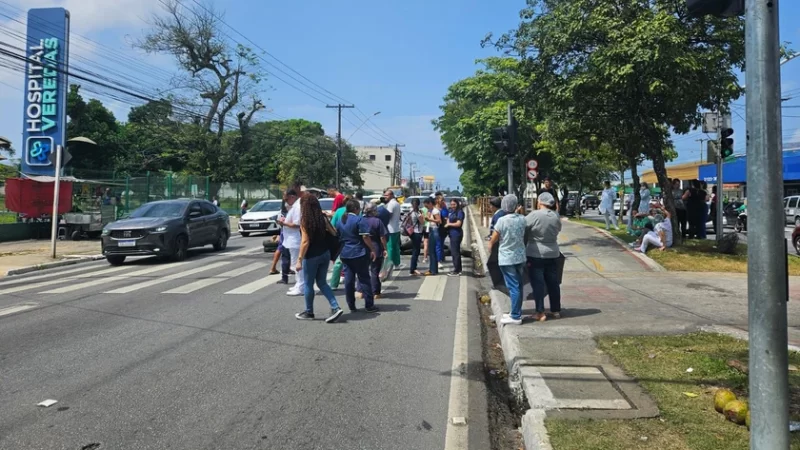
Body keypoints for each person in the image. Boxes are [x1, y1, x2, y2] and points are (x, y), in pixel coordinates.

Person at [293, 195, 343, 323]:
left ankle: (309, 312)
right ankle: (335, 307)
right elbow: (334, 232)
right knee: (322, 283)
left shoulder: (305, 221)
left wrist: (299, 260)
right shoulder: (322, 218)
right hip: (325, 253)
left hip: (311, 256)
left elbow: (305, 241)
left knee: (308, 284)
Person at [489, 194, 527, 325]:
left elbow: (494, 238)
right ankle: (515, 311)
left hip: (507, 258)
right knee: (518, 285)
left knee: (513, 287)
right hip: (520, 256)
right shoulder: (522, 219)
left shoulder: (502, 220)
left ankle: (515, 316)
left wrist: (490, 247)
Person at [336, 199, 379, 313]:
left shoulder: (341, 221)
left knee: (349, 280)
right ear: (356, 209)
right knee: (364, 278)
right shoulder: (359, 220)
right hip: (359, 252)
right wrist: (372, 249)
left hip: (345, 253)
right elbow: (365, 237)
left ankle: (351, 305)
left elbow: (337, 236)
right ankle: (369, 305)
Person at [525, 192, 562, 321]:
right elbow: (558, 229)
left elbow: (523, 227)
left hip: (536, 253)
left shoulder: (534, 215)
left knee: (538, 283)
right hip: (553, 253)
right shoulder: (556, 216)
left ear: (539, 202)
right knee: (553, 283)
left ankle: (540, 312)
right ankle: (556, 310)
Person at [277, 189, 304, 296]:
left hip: (295, 239)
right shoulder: (295, 206)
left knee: (297, 264)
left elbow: (297, 224)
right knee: (295, 264)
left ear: (292, 196)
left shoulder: (297, 207)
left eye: (286, 199)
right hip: (292, 239)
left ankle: (301, 287)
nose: (285, 201)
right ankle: (298, 284)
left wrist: (284, 223)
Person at [362, 203, 388, 298]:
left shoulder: (361, 220)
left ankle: (361, 291)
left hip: (363, 248)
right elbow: (382, 237)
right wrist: (385, 248)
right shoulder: (377, 221)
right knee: (375, 271)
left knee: (362, 271)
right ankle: (375, 292)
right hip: (376, 248)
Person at [327, 195, 352, 290]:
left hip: (341, 239)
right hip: (354, 240)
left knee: (338, 263)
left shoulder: (339, 211)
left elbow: (332, 225)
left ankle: (333, 284)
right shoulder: (357, 211)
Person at [381, 188, 402, 278]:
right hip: (396, 228)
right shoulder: (396, 203)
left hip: (390, 229)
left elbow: (387, 215)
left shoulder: (391, 204)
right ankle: (397, 263)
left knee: (390, 248)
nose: (385, 197)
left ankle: (389, 264)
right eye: (384, 195)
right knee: (396, 247)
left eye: (387, 195)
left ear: (391, 195)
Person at [444, 198, 465, 276]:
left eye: (454, 204)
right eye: (451, 204)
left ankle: (457, 270)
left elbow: (458, 224)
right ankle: (458, 269)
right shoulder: (451, 211)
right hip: (451, 233)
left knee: (455, 252)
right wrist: (447, 221)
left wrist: (449, 224)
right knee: (454, 252)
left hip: (456, 233)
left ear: (457, 204)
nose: (453, 206)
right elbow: (448, 219)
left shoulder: (460, 212)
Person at [423, 197, 440, 276]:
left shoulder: (435, 211)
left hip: (434, 230)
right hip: (430, 229)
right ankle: (433, 269)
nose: (426, 207)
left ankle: (433, 270)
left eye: (426, 205)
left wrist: (430, 219)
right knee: (431, 251)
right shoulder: (430, 210)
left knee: (432, 251)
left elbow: (439, 221)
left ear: (430, 203)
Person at [408, 198, 425, 276]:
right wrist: (423, 215)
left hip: (411, 232)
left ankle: (413, 268)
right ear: (418, 204)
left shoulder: (410, 211)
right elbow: (422, 222)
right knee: (416, 251)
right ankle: (413, 269)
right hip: (417, 233)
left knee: (415, 250)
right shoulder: (417, 213)